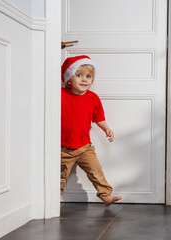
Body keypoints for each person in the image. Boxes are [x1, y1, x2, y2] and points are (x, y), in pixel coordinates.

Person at [60, 55, 121, 206]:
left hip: (84, 147)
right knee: (58, 176)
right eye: (79, 75)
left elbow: (98, 117)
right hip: (61, 148)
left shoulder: (93, 98)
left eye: (88, 76)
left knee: (96, 171)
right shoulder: (60, 95)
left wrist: (106, 128)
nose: (84, 79)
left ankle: (106, 195)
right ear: (68, 79)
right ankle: (51, 200)